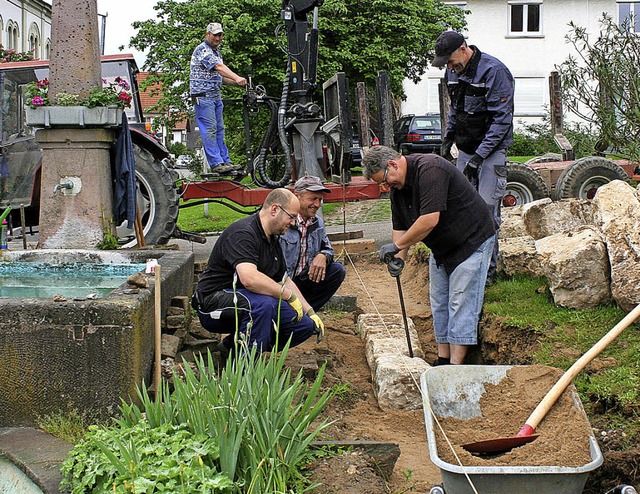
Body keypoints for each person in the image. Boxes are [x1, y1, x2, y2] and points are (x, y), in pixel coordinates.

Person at [362, 145, 495, 365]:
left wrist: (396, 247)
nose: (386, 187)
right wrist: (399, 258)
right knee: (439, 302)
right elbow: (400, 227)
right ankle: (443, 358)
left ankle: (456, 366)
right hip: (442, 248)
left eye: (384, 180)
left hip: (471, 240)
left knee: (460, 301)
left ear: (393, 164)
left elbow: (429, 220)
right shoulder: (398, 190)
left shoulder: (430, 169)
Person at [192, 188, 324, 358]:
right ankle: (246, 370)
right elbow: (249, 279)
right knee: (264, 305)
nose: (293, 223)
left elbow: (284, 280)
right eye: (291, 216)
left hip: (247, 301)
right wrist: (289, 296)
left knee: (303, 326)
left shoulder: (272, 239)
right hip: (213, 302)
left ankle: (232, 347)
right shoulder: (243, 233)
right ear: (275, 209)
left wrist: (310, 311)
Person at [432, 31, 514, 283]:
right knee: (463, 210)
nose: (449, 66)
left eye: (450, 60)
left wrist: (480, 156)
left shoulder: (495, 71)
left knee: (487, 213)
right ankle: (467, 266)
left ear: (463, 48)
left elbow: (502, 120)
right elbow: (455, 109)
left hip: (491, 153)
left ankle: (488, 273)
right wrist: (448, 137)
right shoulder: (453, 73)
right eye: (445, 63)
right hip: (467, 150)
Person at [279, 176, 346, 312]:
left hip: (304, 278)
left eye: (320, 199)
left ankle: (306, 313)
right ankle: (290, 314)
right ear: (297, 196)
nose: (317, 204)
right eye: (312, 199)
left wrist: (323, 255)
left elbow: (328, 248)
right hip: (283, 281)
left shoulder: (317, 222)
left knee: (337, 271)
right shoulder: (283, 222)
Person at [190, 22, 247, 175]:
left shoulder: (216, 52)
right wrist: (237, 76)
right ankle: (216, 163)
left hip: (215, 96)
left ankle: (225, 161)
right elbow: (219, 68)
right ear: (207, 34)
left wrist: (237, 83)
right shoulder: (202, 50)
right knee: (209, 129)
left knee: (219, 129)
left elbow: (220, 77)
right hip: (203, 97)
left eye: (220, 34)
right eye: (215, 34)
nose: (218, 37)